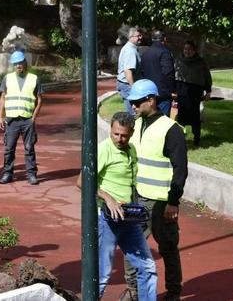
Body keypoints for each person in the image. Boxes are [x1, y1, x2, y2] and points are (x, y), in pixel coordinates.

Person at [77, 112, 157, 300]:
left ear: (131, 133)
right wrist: (107, 197)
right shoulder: (103, 150)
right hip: (107, 219)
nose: (119, 139)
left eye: (124, 135)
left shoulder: (131, 150)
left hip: (129, 218)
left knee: (147, 267)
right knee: (102, 275)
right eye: (115, 134)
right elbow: (82, 181)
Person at [122, 79, 187, 301]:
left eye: (137, 102)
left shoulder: (171, 129)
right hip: (138, 197)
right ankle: (132, 291)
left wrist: (173, 202)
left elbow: (180, 170)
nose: (133, 106)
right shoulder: (137, 124)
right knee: (131, 247)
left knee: (168, 248)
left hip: (161, 203)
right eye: (132, 102)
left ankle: (174, 293)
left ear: (151, 100)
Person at [0, 50, 43, 185]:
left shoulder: (34, 78)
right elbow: (3, 97)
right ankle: (7, 173)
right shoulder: (7, 78)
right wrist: (0, 117)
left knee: (29, 148)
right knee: (9, 148)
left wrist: (33, 118)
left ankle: (31, 174)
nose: (18, 66)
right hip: (11, 120)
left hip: (27, 119)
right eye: (15, 64)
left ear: (24, 63)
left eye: (20, 63)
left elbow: (39, 100)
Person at [175, 40, 212, 147]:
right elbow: (174, 76)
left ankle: (197, 138)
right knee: (181, 117)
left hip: (195, 93)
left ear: (194, 50)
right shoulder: (178, 60)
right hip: (181, 91)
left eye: (190, 49)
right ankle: (180, 138)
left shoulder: (200, 62)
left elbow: (206, 77)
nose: (187, 51)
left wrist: (208, 91)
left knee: (195, 118)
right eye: (185, 49)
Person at [141, 30, 177, 116]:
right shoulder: (165, 52)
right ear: (164, 39)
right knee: (162, 120)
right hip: (163, 94)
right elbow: (168, 73)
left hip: (149, 92)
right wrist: (172, 91)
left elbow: (142, 72)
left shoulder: (145, 53)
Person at [117, 27, 143, 116]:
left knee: (133, 112)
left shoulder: (130, 48)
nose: (141, 37)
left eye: (141, 35)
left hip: (125, 85)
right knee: (133, 114)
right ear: (131, 37)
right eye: (138, 36)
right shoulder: (130, 51)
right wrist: (134, 89)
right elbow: (128, 72)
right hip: (127, 85)